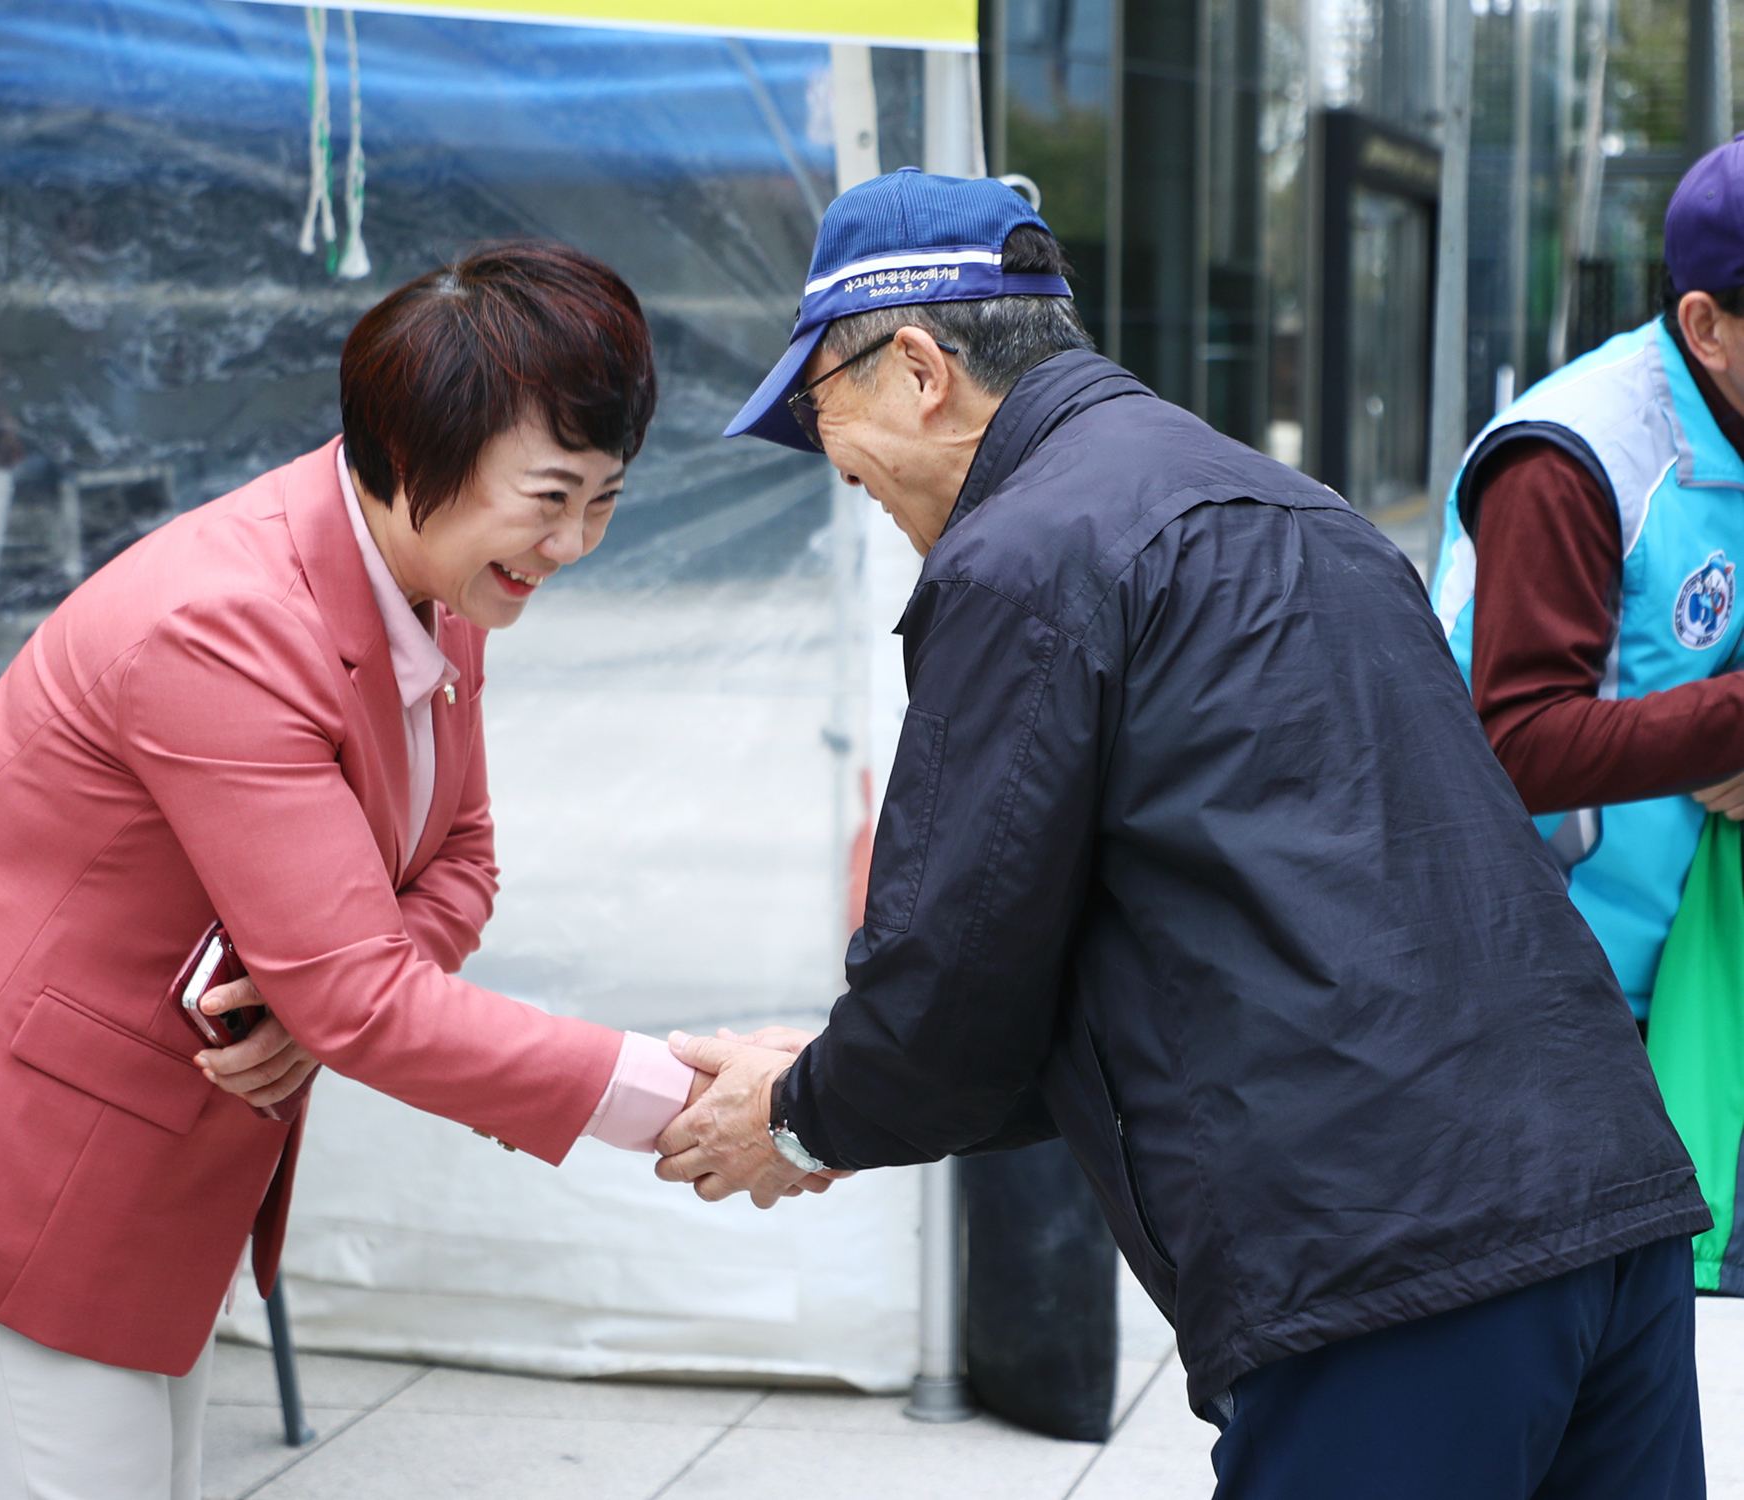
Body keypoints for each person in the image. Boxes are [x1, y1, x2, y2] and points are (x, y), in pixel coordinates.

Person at [654, 168, 1712, 1499]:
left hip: (1389, 1267)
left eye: (823, 411)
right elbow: (1215, 962)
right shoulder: (1307, 513)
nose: (837, 464)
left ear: (919, 369)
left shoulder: (1022, 551)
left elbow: (958, 972)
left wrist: (805, 1117)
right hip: (1607, 1203)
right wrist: (837, 1069)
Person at [0, 243, 757, 1500]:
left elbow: (460, 856)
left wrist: (324, 994)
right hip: (2, 1166)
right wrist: (678, 1097)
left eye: (606, 498)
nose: (575, 543)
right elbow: (360, 997)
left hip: (141, 1163)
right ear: (411, 459)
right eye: (551, 495)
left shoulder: (439, 579)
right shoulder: (226, 625)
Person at [1431, 143, 1744, 1018]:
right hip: (1539, 992)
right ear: (1706, 327)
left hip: (1692, 972)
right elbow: (1518, 747)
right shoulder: (1569, 459)